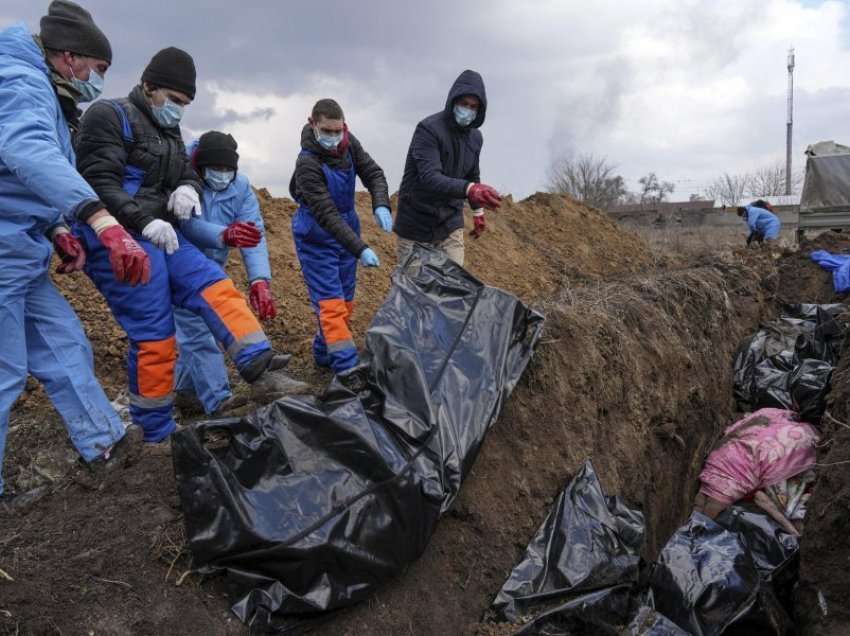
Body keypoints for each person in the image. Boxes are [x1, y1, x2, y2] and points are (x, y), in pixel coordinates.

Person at [74, 47, 307, 443]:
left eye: (185, 104)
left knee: (215, 285)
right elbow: (98, 182)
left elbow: (186, 171)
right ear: (149, 86)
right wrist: (143, 221)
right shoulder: (108, 116)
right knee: (156, 335)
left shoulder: (169, 133)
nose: (179, 110)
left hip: (163, 233)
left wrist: (187, 186)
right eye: (176, 100)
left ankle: (261, 369)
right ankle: (156, 432)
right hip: (118, 236)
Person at [0, 1, 148, 507]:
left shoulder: (46, 93)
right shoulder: (20, 82)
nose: (97, 80)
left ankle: (104, 446)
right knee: (4, 373)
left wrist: (60, 227)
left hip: (20, 251)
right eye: (97, 69)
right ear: (69, 58)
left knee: (65, 346)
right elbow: (27, 152)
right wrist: (97, 218)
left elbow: (25, 178)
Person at [289, 98, 392, 387]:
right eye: (327, 131)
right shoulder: (307, 163)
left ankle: (323, 354)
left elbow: (373, 172)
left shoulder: (349, 143)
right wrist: (360, 248)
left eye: (338, 131)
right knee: (331, 307)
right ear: (313, 124)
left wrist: (380, 203)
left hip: (347, 228)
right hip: (317, 236)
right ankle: (348, 373)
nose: (334, 138)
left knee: (345, 304)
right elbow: (326, 214)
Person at [175, 131, 273, 415]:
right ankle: (219, 401)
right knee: (196, 332)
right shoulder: (183, 178)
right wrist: (224, 235)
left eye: (227, 170)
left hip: (212, 267)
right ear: (200, 166)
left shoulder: (240, 187)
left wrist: (259, 280)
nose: (221, 175)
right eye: (215, 170)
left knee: (200, 328)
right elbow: (185, 224)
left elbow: (254, 233)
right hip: (181, 262)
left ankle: (185, 392)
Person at [394, 69, 502, 267]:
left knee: (453, 287)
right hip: (416, 223)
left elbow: (472, 174)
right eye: (463, 104)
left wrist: (478, 212)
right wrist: (469, 189)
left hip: (450, 222)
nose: (468, 110)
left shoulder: (475, 138)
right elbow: (430, 177)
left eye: (473, 107)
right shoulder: (428, 130)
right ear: (453, 101)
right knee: (414, 292)